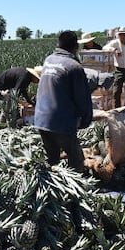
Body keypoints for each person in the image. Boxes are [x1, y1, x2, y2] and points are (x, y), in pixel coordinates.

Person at [34, 31, 93, 172]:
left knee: (52, 159)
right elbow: (82, 98)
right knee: (76, 158)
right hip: (60, 121)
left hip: (41, 119)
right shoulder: (74, 66)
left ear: (58, 44)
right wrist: (86, 119)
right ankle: (77, 191)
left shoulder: (48, 60)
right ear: (75, 47)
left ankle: (53, 189)